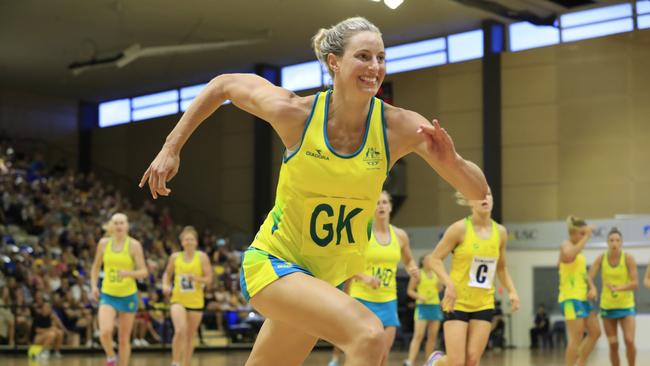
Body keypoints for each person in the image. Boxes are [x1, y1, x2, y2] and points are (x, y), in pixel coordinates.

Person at [140, 16, 488, 365]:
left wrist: (453, 162)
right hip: (274, 265)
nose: (375, 66)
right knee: (369, 334)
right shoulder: (296, 113)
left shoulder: (398, 126)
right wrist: (172, 147)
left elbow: (479, 192)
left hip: (320, 280)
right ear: (334, 62)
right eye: (364, 56)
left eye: (381, 57)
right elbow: (224, 85)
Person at [425, 189, 519, 366]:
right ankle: (435, 362)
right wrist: (449, 285)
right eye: (479, 194)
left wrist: (512, 291)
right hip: (457, 301)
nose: (485, 198)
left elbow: (501, 267)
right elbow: (434, 259)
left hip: (483, 302)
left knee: (472, 360)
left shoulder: (500, 232)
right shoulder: (459, 229)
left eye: (489, 194)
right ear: (469, 201)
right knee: (456, 362)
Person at [332, 190, 417, 366]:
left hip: (388, 300)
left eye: (384, 202)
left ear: (391, 206)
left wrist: (412, 268)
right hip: (363, 299)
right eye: (377, 203)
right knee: (361, 352)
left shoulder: (400, 236)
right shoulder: (361, 232)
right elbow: (344, 264)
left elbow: (408, 260)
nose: (381, 206)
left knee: (383, 354)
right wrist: (364, 277)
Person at [91, 213, 148, 366]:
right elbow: (95, 267)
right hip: (108, 294)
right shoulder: (103, 244)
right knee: (105, 332)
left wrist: (129, 273)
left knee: (124, 339)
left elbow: (144, 271)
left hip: (128, 295)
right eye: (116, 223)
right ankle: (110, 357)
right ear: (111, 226)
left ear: (127, 226)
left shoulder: (134, 245)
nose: (119, 226)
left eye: (122, 223)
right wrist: (93, 286)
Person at [162, 226, 212, 366]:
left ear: (196, 242)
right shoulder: (175, 257)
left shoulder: (202, 257)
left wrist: (196, 279)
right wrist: (165, 285)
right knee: (180, 330)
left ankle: (186, 363)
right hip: (178, 299)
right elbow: (167, 273)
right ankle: (175, 362)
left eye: (191, 239)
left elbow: (209, 279)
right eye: (186, 239)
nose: (188, 242)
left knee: (190, 336)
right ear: (182, 242)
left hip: (196, 301)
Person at [588, 227, 637, 366]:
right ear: (607, 243)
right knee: (613, 345)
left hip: (626, 306)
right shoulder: (601, 258)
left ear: (621, 243)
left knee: (629, 341)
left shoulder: (628, 258)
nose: (614, 243)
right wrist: (593, 287)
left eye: (617, 240)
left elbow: (635, 283)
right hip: (607, 307)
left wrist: (619, 288)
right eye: (611, 240)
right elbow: (589, 277)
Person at [557, 216, 600, 366]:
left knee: (595, 332)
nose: (584, 237)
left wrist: (592, 287)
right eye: (582, 233)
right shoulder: (566, 245)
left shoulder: (579, 254)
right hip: (570, 299)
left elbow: (584, 275)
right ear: (573, 233)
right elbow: (568, 255)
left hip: (582, 298)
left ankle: (581, 362)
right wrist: (587, 235)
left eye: (585, 234)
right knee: (576, 337)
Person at [404, 255, 443, 366]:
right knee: (418, 335)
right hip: (422, 307)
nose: (430, 261)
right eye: (428, 259)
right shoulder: (418, 274)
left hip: (434, 306)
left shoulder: (436, 274)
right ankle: (410, 361)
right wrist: (419, 296)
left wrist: (441, 278)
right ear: (423, 261)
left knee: (432, 336)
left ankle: (428, 362)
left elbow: (439, 289)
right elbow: (410, 291)